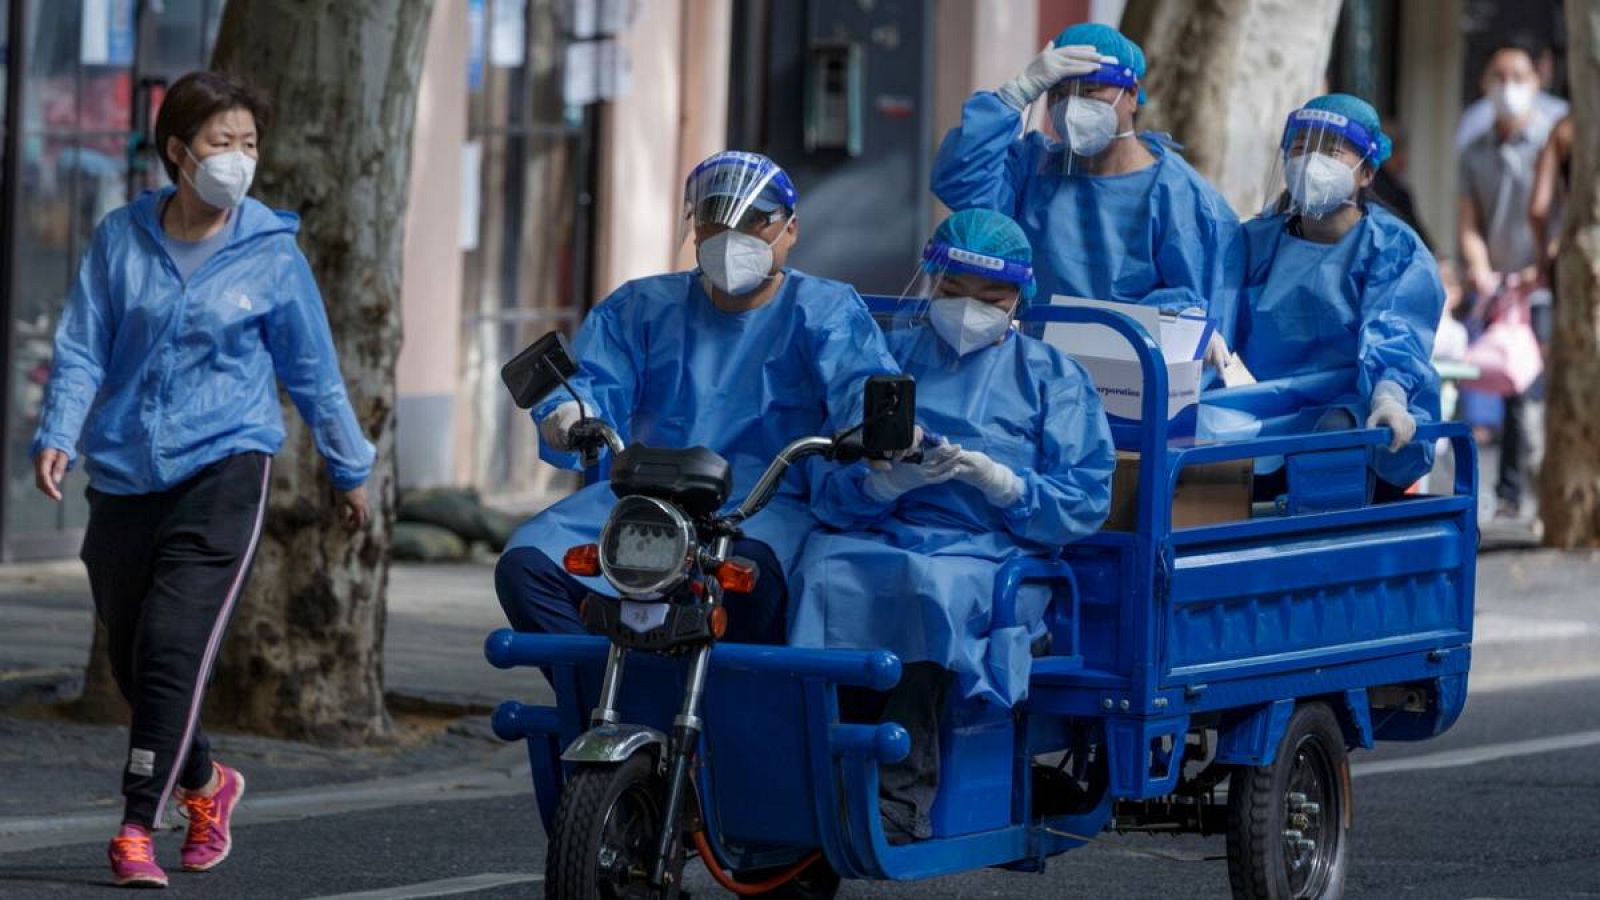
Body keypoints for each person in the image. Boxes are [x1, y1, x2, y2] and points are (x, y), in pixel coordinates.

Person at [29, 71, 374, 888]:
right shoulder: (121, 237)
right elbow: (82, 343)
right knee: (131, 649)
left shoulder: (271, 253)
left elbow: (315, 373)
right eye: (222, 144)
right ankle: (207, 782)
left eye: (250, 144)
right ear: (178, 153)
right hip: (122, 467)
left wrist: (349, 467)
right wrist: (58, 431)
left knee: (176, 645)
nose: (239, 160)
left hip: (226, 465)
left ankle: (136, 826)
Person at [789, 209, 1115, 843]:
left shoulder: (1052, 377)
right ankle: (811, 773)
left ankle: (902, 792)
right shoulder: (887, 358)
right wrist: (886, 481)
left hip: (996, 555)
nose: (969, 311)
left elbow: (1082, 500)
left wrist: (999, 481)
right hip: (883, 532)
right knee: (818, 570)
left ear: (1022, 296)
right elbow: (828, 484)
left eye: (990, 298)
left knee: (926, 590)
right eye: (953, 292)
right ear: (930, 283)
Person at [494, 151, 899, 646]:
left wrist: (879, 431)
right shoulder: (641, 306)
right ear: (694, 226)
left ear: (790, 230)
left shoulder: (827, 313)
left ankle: (731, 716)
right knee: (527, 565)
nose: (732, 238)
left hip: (760, 507)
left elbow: (862, 383)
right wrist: (569, 411)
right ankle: (599, 696)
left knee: (749, 582)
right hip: (642, 499)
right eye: (714, 218)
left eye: (753, 221)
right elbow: (595, 378)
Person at [1202, 94, 1444, 500]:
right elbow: (1214, 306)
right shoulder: (1256, 243)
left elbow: (1397, 331)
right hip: (1270, 411)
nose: (1311, 161)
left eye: (1330, 151)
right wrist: (1198, 328)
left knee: (1333, 437)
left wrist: (1389, 396)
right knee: (1197, 428)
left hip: (1358, 412)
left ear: (1367, 173)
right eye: (1299, 148)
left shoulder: (1392, 249)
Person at [930, 22, 1240, 324]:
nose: (1071, 107)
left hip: (1136, 372)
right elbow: (960, 182)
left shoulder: (1182, 198)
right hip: (1041, 369)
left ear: (1131, 94)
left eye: (1089, 91)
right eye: (1058, 94)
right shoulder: (1033, 169)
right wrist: (1017, 92)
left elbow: (1203, 317)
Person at [1459, 40, 1558, 520]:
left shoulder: (1553, 142)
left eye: (1518, 77)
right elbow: (1468, 220)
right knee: (1499, 385)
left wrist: (1542, 265)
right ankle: (1509, 492)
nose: (1508, 87)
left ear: (1537, 83)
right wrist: (1479, 268)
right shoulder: (1473, 150)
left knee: (1534, 392)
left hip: (1545, 287)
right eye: (1498, 77)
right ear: (1484, 84)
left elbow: (1558, 215)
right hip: (1497, 290)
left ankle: (1531, 488)